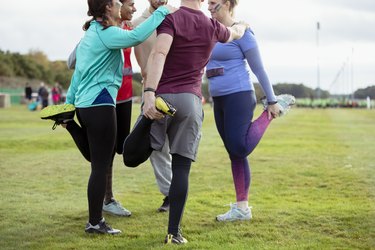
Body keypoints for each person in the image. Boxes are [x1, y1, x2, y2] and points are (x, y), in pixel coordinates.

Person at [40, 0, 175, 234]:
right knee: (100, 165)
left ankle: (69, 123)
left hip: (85, 104)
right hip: (100, 103)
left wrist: (70, 104)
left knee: (97, 159)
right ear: (107, 9)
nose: (120, 5)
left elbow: (78, 72)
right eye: (116, 2)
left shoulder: (92, 32)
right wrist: (163, 10)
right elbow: (137, 36)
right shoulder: (106, 33)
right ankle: (95, 222)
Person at [141, 0, 248, 244]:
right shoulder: (211, 25)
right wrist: (242, 25)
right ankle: (173, 233)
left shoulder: (170, 17)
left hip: (162, 97)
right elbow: (234, 33)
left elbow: (159, 53)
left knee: (134, 154)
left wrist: (149, 92)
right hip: (190, 101)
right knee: (181, 169)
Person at [206, 0, 295, 222]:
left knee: (239, 146)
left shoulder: (244, 33)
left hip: (239, 95)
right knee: (234, 153)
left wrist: (272, 99)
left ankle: (271, 112)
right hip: (219, 99)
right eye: (207, 3)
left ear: (227, 4)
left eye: (213, 4)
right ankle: (242, 209)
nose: (209, 8)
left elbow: (259, 69)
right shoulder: (209, 29)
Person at [132, 0, 173, 213]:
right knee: (157, 147)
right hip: (150, 92)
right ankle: (170, 194)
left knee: (179, 145)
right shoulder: (136, 23)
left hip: (177, 89)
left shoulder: (177, 16)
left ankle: (176, 191)